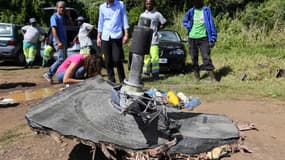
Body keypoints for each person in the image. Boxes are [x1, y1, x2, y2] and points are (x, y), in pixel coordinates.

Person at [182, 0, 217, 82]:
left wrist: (213, 38)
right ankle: (197, 77)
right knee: (194, 57)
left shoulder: (206, 10)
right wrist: (188, 26)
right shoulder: (191, 11)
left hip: (204, 38)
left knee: (206, 57)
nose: (196, 2)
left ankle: (213, 78)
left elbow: (211, 24)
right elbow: (184, 21)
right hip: (192, 37)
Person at [97, 0, 129, 84]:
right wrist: (98, 37)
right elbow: (100, 22)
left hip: (117, 35)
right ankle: (112, 80)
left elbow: (124, 19)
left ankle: (122, 80)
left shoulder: (120, 4)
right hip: (105, 36)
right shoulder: (102, 7)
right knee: (107, 60)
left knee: (117, 59)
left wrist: (126, 34)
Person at [43, 1, 70, 84]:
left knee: (64, 60)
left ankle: (63, 76)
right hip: (59, 42)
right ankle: (49, 73)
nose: (62, 9)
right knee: (61, 59)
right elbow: (53, 30)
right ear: (57, 8)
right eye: (60, 7)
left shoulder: (64, 18)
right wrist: (58, 42)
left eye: (63, 7)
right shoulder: (54, 17)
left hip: (64, 41)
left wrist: (68, 16)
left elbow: (71, 24)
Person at [139, 0, 166, 80]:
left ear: (152, 4)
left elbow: (164, 23)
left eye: (150, 3)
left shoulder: (157, 14)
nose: (148, 5)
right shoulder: (142, 15)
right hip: (145, 40)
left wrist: (158, 29)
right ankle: (146, 73)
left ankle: (155, 74)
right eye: (147, 3)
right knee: (146, 58)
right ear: (145, 4)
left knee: (154, 57)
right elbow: (139, 27)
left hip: (154, 39)